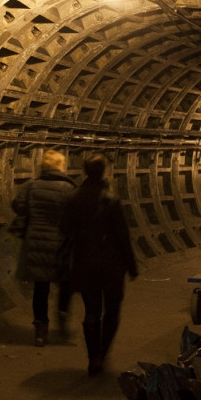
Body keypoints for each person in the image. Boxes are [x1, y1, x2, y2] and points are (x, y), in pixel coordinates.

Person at [60, 153, 138, 376]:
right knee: (112, 311)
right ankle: (103, 354)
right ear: (103, 172)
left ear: (86, 172)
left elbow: (64, 228)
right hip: (111, 266)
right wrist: (132, 266)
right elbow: (123, 236)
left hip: (85, 264)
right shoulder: (110, 199)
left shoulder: (74, 197)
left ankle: (93, 356)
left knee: (91, 311)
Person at [12, 149, 76, 346]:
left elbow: (17, 205)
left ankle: (40, 331)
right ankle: (63, 317)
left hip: (36, 243)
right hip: (60, 244)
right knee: (66, 283)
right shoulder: (68, 188)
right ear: (61, 166)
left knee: (41, 288)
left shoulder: (32, 186)